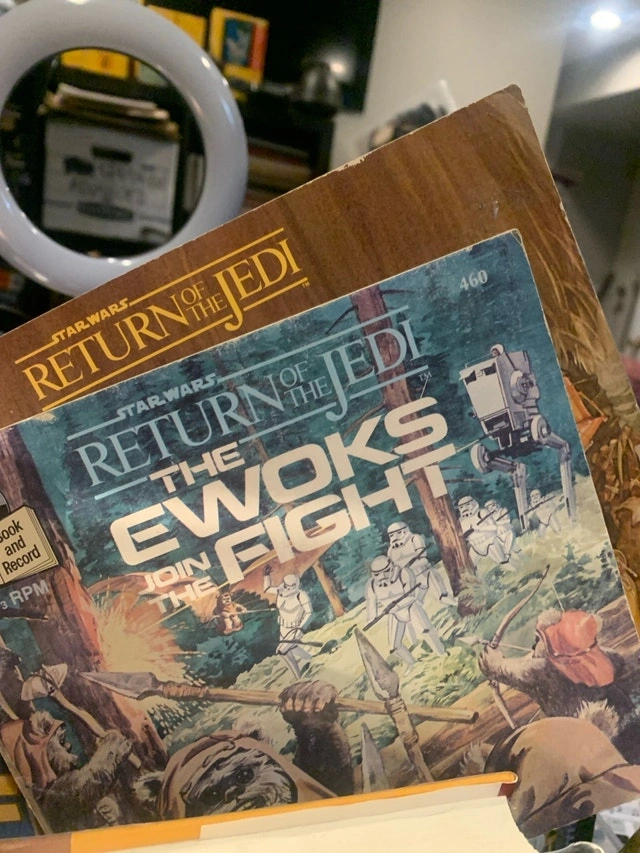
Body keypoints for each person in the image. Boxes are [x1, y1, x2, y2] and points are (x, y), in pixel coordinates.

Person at [365, 554, 445, 665]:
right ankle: (413, 664)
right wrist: (371, 618)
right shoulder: (371, 586)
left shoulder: (404, 573)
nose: (382, 576)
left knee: (426, 630)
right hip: (395, 615)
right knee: (394, 647)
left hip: (411, 608)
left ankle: (441, 653)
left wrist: (396, 607)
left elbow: (411, 596)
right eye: (377, 574)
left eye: (386, 571)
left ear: (391, 567)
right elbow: (371, 604)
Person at [386, 521, 455, 607]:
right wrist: (392, 579)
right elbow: (395, 568)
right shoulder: (391, 550)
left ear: (404, 530)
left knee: (442, 597)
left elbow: (424, 559)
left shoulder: (415, 539)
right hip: (410, 581)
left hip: (426, 574)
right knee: (414, 604)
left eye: (398, 532)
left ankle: (459, 605)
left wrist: (408, 568)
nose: (395, 537)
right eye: (391, 535)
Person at [263, 567, 313, 678]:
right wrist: (266, 576)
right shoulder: (280, 591)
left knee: (281, 651)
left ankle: (298, 677)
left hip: (295, 629)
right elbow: (267, 589)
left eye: (290, 586)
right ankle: (311, 659)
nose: (287, 589)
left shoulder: (301, 595)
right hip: (283, 628)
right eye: (286, 586)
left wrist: (301, 628)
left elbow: (309, 612)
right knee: (291, 648)